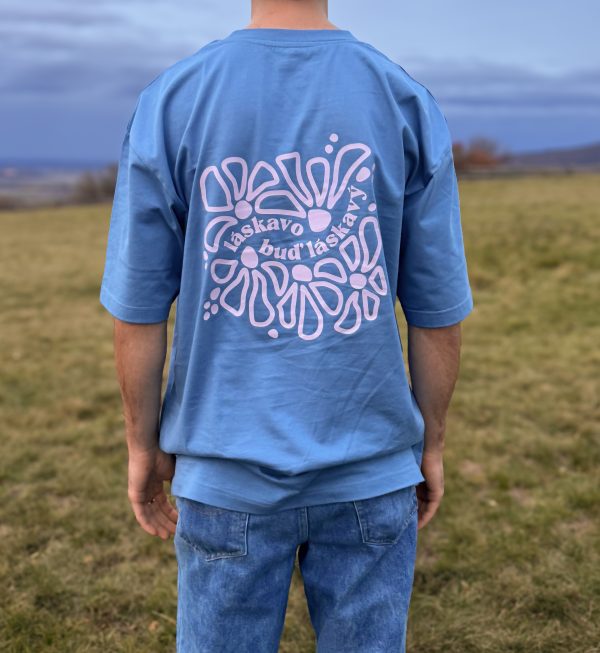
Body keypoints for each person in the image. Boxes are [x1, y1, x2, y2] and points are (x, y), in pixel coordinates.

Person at [99, 0, 473, 650]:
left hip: (226, 475)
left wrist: (142, 446)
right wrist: (430, 443)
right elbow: (436, 311)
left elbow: (138, 309)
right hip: (372, 469)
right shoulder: (403, 99)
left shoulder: (173, 100)